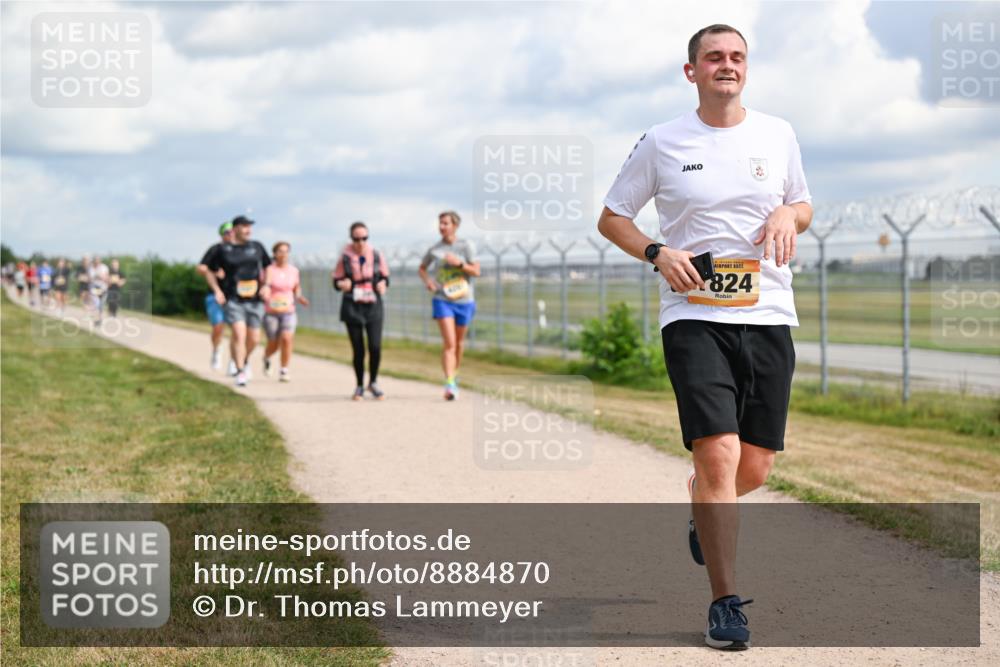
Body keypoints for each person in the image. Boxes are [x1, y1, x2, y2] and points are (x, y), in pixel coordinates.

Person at [597, 24, 812, 651]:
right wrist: (657, 252)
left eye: (737, 57)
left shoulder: (778, 134)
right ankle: (725, 604)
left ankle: (703, 507)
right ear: (691, 71)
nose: (727, 65)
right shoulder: (663, 142)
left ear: (747, 69)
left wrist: (785, 212)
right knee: (716, 453)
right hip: (692, 314)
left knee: (757, 466)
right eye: (714, 57)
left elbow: (802, 205)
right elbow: (612, 216)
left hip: (768, 312)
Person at [201, 215, 271, 387]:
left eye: (250, 227)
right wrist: (217, 290)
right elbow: (208, 270)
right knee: (239, 334)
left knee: (254, 338)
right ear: (236, 228)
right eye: (245, 226)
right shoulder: (223, 249)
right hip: (233, 299)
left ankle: (244, 360)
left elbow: (267, 266)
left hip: (255, 299)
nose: (249, 230)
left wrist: (267, 285)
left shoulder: (257, 247)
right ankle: (240, 371)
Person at [418, 211, 480, 400]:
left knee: (459, 344)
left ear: (455, 226)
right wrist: (428, 281)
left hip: (464, 300)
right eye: (440, 223)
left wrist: (459, 264)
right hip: (442, 299)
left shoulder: (466, 246)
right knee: (450, 343)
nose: (442, 227)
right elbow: (422, 268)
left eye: (446, 223)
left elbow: (476, 271)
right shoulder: (435, 249)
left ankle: (454, 373)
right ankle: (450, 383)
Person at [332, 222, 389, 400]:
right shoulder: (345, 257)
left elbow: (386, 278)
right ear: (351, 239)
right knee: (358, 349)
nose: (360, 242)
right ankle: (359, 385)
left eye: (364, 238)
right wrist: (342, 284)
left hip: (373, 305)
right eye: (356, 239)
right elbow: (336, 281)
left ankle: (373, 382)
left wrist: (383, 284)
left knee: (375, 346)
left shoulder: (377, 255)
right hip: (353, 306)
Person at [262, 241, 309, 382]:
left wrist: (299, 297)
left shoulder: (294, 271)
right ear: (275, 254)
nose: (283, 254)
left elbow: (296, 287)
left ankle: (284, 369)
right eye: (280, 251)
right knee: (274, 342)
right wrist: (265, 291)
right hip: (272, 311)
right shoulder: (270, 269)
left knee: (287, 338)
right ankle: (267, 357)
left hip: (288, 310)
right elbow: (267, 284)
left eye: (286, 251)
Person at [197, 222, 236, 371]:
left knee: (237, 330)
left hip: (235, 296)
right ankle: (216, 350)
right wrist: (214, 273)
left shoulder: (240, 250)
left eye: (233, 231)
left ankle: (234, 360)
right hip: (215, 295)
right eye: (227, 232)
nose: (230, 234)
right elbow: (201, 268)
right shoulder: (215, 250)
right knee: (218, 327)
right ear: (222, 234)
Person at [89, 256, 110, 324]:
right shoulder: (91, 268)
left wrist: (104, 278)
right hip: (94, 288)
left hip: (103, 288)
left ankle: (100, 319)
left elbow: (106, 277)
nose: (97, 262)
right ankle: (97, 319)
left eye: (98, 261)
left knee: (101, 305)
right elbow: (90, 279)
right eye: (96, 261)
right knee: (96, 303)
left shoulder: (104, 267)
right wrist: (99, 276)